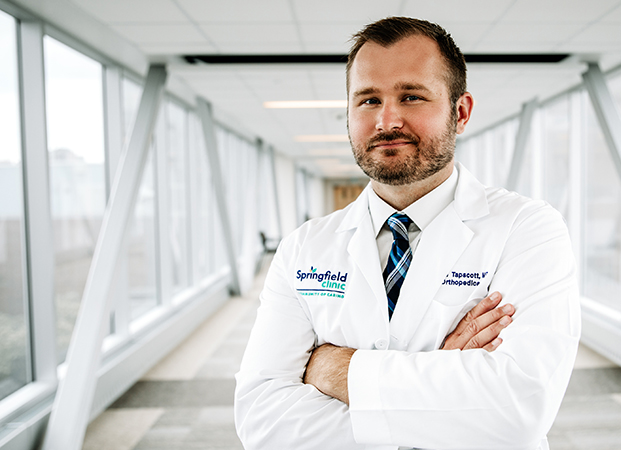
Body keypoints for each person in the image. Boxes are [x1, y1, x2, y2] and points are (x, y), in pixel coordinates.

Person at [235, 17, 580, 450]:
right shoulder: (304, 247)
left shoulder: (527, 228)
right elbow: (262, 422)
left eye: (411, 96)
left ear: (461, 112)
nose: (386, 120)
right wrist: (440, 393)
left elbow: (516, 411)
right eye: (367, 99)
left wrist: (331, 369)